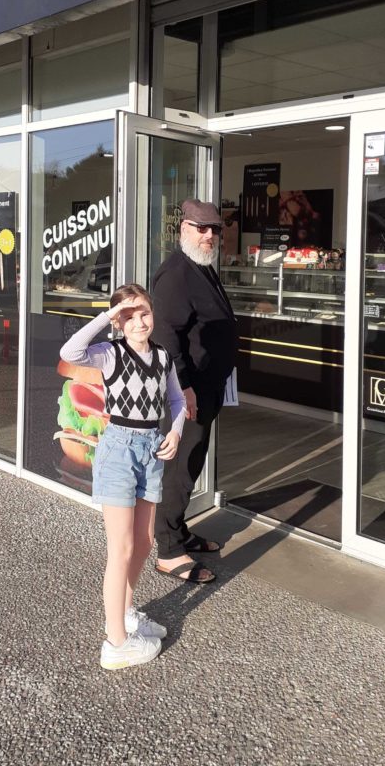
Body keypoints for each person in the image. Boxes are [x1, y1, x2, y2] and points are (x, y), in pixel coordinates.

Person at [59, 283, 186, 671]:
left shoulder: (162, 357)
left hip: (152, 448)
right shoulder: (110, 353)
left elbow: (177, 399)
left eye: (144, 312)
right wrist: (106, 316)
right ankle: (116, 642)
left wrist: (176, 431)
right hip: (118, 449)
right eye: (128, 316)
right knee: (122, 548)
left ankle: (127, 614)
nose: (139, 322)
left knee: (144, 542)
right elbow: (70, 352)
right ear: (118, 322)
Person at [151, 199, 239, 584]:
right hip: (187, 393)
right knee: (180, 469)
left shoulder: (200, 267)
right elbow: (165, 338)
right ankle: (169, 550)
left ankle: (179, 530)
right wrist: (183, 388)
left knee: (192, 462)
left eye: (214, 229)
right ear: (183, 229)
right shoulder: (175, 274)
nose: (209, 235)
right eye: (200, 228)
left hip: (206, 387)